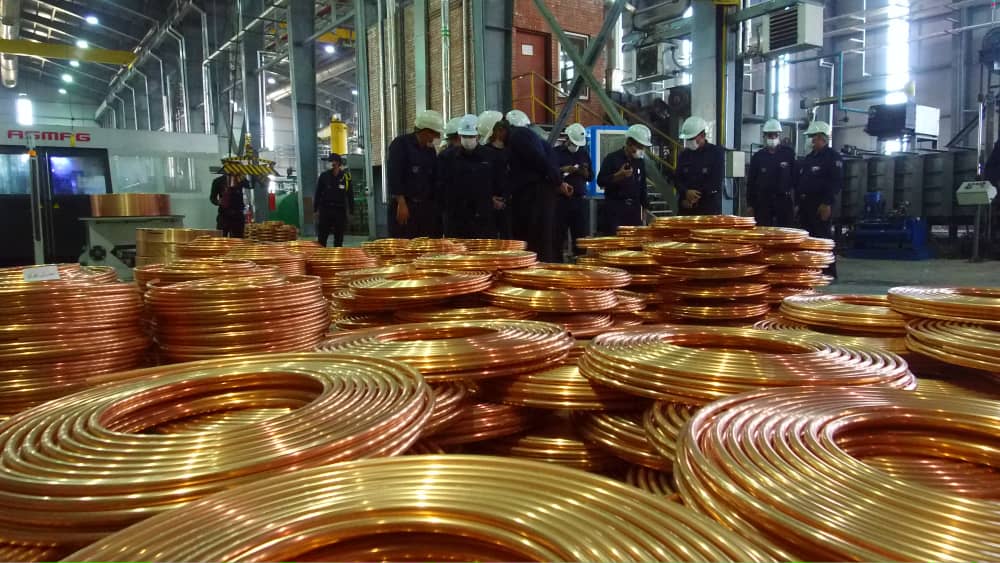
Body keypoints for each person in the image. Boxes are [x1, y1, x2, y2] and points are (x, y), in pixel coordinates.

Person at [480, 110, 572, 262]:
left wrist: (559, 182)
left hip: (537, 196)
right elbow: (518, 173)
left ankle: (539, 272)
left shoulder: (518, 136)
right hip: (531, 195)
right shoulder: (516, 139)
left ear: (500, 130)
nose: (493, 141)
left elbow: (540, 161)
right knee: (530, 239)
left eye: (492, 136)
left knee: (537, 241)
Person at [437, 114, 499, 238]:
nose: (467, 140)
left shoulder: (490, 156)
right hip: (456, 218)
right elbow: (440, 185)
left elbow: (498, 181)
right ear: (459, 136)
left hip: (483, 217)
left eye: (471, 136)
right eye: (465, 136)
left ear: (478, 136)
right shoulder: (446, 157)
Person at [387, 109, 444, 238]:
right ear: (425, 131)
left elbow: (433, 178)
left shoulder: (429, 150)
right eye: (434, 134)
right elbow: (394, 175)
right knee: (405, 244)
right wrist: (401, 204)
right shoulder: (401, 145)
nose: (435, 138)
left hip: (425, 208)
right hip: (405, 206)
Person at [796, 120, 842, 277]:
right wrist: (798, 203)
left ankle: (828, 271)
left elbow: (836, 182)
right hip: (806, 204)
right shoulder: (809, 158)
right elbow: (802, 181)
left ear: (822, 137)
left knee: (823, 238)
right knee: (808, 238)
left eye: (812, 137)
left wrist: (827, 203)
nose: (811, 140)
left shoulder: (832, 157)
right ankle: (812, 269)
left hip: (821, 204)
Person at [597, 124, 651, 233]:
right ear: (629, 143)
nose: (642, 150)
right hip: (615, 210)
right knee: (617, 242)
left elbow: (642, 186)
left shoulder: (639, 162)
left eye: (643, 147)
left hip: (634, 211)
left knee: (634, 242)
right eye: (640, 147)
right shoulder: (612, 159)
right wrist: (618, 176)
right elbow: (601, 181)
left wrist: (645, 208)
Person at [747, 119, 796, 227]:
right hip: (763, 202)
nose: (773, 138)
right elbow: (751, 182)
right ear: (764, 136)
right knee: (763, 231)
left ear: (779, 135)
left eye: (775, 135)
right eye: (770, 135)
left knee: (785, 231)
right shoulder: (758, 157)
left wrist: (797, 203)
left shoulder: (788, 154)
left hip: (783, 200)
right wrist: (750, 205)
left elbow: (795, 178)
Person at [554, 123, 592, 255]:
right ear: (567, 139)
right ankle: (557, 261)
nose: (575, 146)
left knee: (580, 236)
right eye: (573, 143)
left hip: (579, 201)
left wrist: (584, 173)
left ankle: (580, 260)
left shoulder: (583, 153)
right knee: (558, 235)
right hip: (561, 201)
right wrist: (563, 169)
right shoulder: (556, 153)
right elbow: (549, 173)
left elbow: (591, 177)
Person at [675, 115, 725, 215]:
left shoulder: (716, 153)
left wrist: (695, 196)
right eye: (687, 139)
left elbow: (716, 181)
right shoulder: (683, 155)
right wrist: (685, 193)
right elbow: (677, 179)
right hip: (686, 208)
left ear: (702, 135)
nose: (689, 142)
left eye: (692, 138)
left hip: (708, 209)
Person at [478, 110, 513, 239]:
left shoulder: (510, 151)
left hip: (508, 202)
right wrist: (490, 198)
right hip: (490, 203)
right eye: (502, 129)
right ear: (496, 131)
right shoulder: (484, 152)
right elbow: (481, 180)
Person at [314, 153, 353, 247]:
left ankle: (337, 255)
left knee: (339, 238)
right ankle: (321, 255)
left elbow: (350, 195)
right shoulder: (324, 176)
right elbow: (318, 193)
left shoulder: (346, 177)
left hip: (340, 211)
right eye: (329, 161)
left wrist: (351, 211)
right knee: (322, 237)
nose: (330, 163)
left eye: (331, 161)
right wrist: (315, 210)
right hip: (325, 210)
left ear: (338, 163)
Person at [209, 172, 249, 238]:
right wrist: (219, 202)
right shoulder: (218, 181)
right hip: (224, 215)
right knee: (221, 238)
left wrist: (243, 178)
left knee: (238, 239)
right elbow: (212, 198)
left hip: (238, 215)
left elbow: (249, 186)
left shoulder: (240, 179)